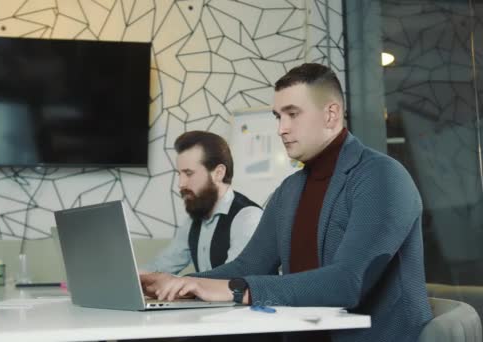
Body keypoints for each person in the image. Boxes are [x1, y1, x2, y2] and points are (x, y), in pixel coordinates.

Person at [141, 63, 433, 342]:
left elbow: (347, 283)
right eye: (278, 116)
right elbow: (249, 265)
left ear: (331, 114)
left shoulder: (381, 176)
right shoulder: (290, 189)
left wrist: (233, 289)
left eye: (292, 114)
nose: (281, 128)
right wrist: (179, 285)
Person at [141, 131, 263, 275]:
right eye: (179, 174)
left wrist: (182, 283)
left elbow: (234, 279)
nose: (180, 183)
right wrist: (129, 276)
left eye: (189, 173)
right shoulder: (194, 220)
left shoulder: (248, 218)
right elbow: (162, 265)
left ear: (218, 173)